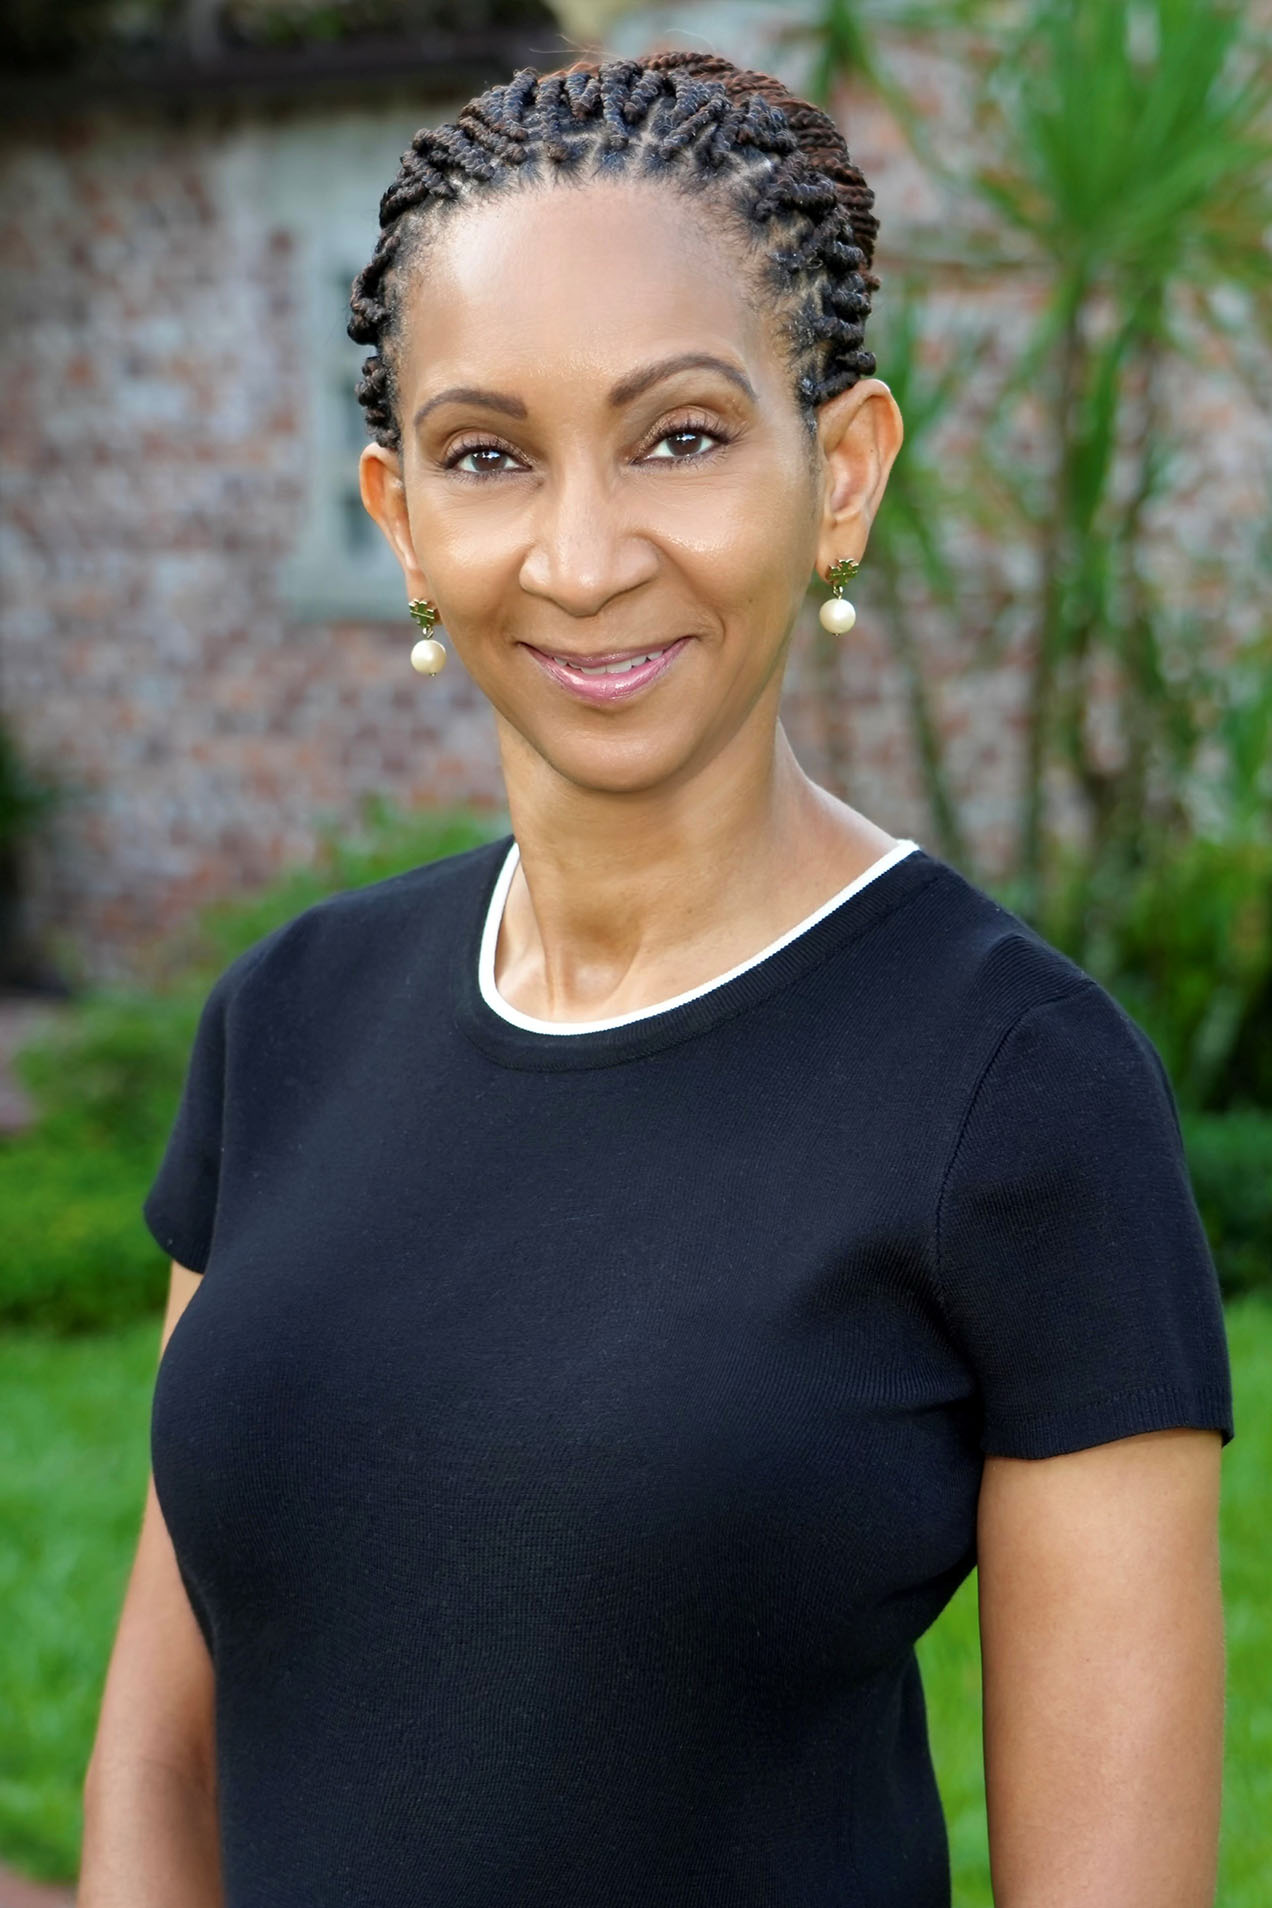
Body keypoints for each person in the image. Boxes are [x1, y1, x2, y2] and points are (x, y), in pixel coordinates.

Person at [80, 50, 1234, 1908]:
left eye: (681, 435)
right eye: (487, 455)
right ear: (399, 520)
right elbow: (161, 1757)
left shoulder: (1015, 1083)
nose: (584, 554)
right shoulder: (286, 1021)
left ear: (839, 473)